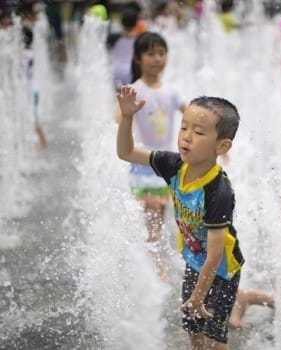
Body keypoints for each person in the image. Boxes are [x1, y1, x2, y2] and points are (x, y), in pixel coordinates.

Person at [116, 87, 245, 349]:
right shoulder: (173, 165)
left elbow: (215, 255)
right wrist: (127, 117)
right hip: (194, 263)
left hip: (221, 273)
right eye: (183, 127)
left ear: (222, 146)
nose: (186, 137)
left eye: (198, 132)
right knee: (193, 333)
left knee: (214, 341)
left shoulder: (217, 191)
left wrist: (199, 297)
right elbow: (126, 153)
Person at [114, 32, 187, 281]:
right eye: (150, 53)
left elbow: (190, 113)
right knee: (152, 211)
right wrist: (125, 115)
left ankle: (152, 257)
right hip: (143, 161)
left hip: (167, 161)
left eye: (161, 53)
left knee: (161, 212)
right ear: (138, 57)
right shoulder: (134, 90)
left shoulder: (172, 90)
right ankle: (155, 265)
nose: (157, 59)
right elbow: (118, 119)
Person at [107, 5, 140, 90]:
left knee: (117, 98)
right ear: (136, 23)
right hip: (131, 72)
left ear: (121, 22)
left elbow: (106, 52)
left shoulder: (113, 38)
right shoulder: (138, 39)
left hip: (115, 71)